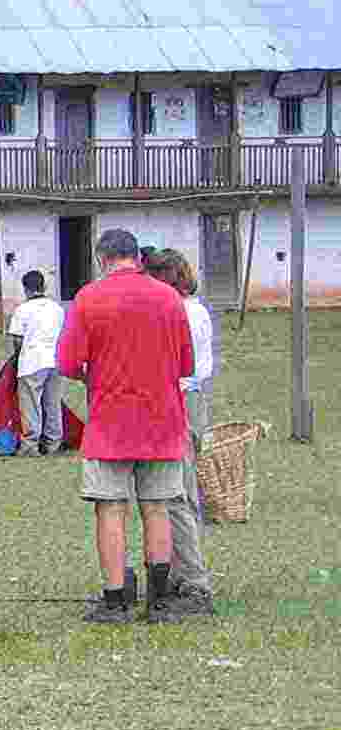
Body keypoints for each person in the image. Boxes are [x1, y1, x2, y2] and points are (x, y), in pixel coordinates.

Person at [55, 228, 195, 624]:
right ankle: (160, 602)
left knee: (110, 511)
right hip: (163, 422)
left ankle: (116, 600)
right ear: (137, 257)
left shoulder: (89, 298)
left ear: (103, 259)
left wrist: (96, 379)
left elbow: (67, 363)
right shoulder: (170, 298)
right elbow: (187, 366)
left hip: (110, 423)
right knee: (158, 509)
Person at [150, 248, 217, 616]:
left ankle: (193, 579)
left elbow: (178, 365)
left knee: (176, 495)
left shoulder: (180, 311)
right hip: (190, 398)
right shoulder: (196, 308)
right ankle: (179, 570)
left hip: (181, 399)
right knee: (182, 494)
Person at [5, 270, 68, 454]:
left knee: (31, 405)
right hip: (55, 361)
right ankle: (53, 443)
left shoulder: (22, 310)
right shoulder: (57, 308)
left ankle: (31, 445)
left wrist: (16, 359)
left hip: (32, 362)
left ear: (26, 289)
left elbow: (17, 340)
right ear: (44, 286)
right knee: (53, 403)